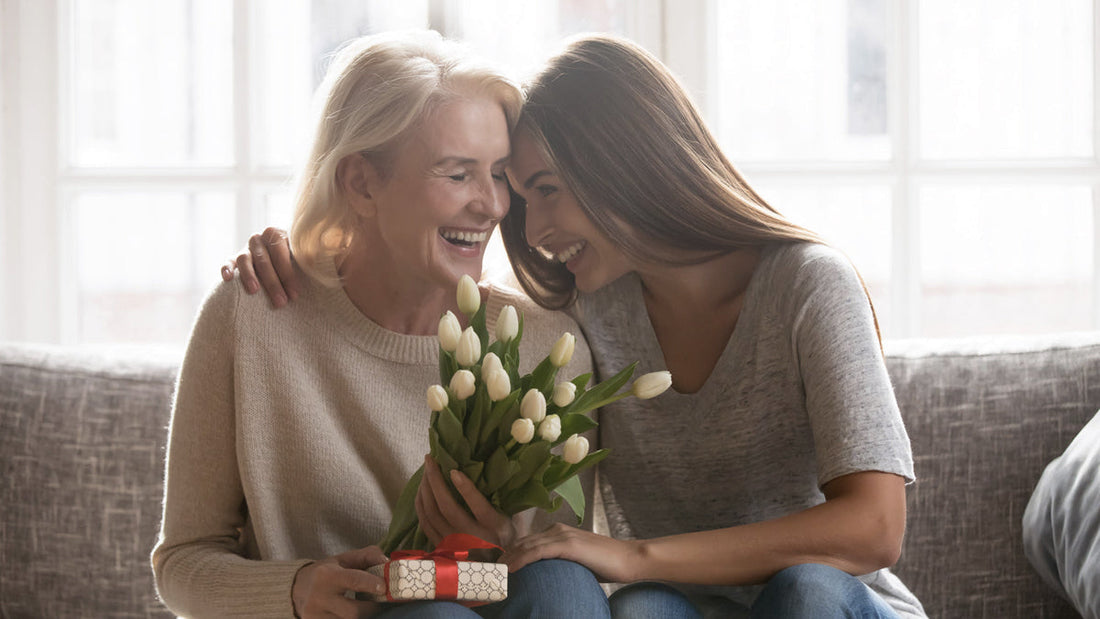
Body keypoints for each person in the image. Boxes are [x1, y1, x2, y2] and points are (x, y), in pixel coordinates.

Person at [230, 34, 926, 618]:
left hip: (835, 600)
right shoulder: (589, 314)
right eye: (519, 192)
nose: (529, 226)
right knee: (642, 609)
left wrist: (635, 555)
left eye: (544, 191)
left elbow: (874, 527)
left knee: (799, 590)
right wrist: (307, 250)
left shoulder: (808, 283)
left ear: (622, 167)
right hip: (681, 603)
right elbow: (445, 288)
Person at [152, 30, 610, 619]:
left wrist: (493, 549)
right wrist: (294, 590)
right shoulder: (253, 315)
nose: (493, 205)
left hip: (490, 609)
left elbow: (555, 574)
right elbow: (183, 561)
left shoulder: (547, 346)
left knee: (560, 586)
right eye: (456, 174)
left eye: (499, 174)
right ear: (361, 183)